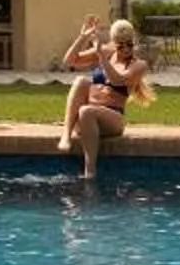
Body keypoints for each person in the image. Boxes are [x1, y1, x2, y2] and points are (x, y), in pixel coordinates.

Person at [58, 17, 153, 179]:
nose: (126, 49)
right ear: (114, 42)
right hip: (86, 118)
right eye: (120, 45)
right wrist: (83, 37)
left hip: (113, 118)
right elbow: (70, 61)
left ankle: (90, 171)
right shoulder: (107, 51)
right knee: (80, 81)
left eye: (129, 44)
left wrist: (101, 57)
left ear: (134, 42)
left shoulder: (139, 65)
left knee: (87, 111)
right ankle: (66, 135)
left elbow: (118, 80)